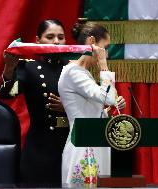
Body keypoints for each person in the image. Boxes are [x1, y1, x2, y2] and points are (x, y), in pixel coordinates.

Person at [0, 19, 69, 186]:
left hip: (71, 143)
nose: (56, 42)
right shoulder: (28, 67)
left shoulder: (74, 67)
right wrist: (9, 68)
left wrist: (69, 107)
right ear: (38, 40)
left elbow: (91, 103)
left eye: (61, 37)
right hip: (41, 145)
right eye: (50, 37)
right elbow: (5, 94)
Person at [58, 21, 126, 185]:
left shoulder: (83, 72)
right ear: (92, 42)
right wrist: (103, 64)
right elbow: (107, 98)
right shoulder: (73, 72)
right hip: (83, 146)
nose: (106, 54)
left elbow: (95, 109)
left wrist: (107, 111)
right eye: (106, 47)